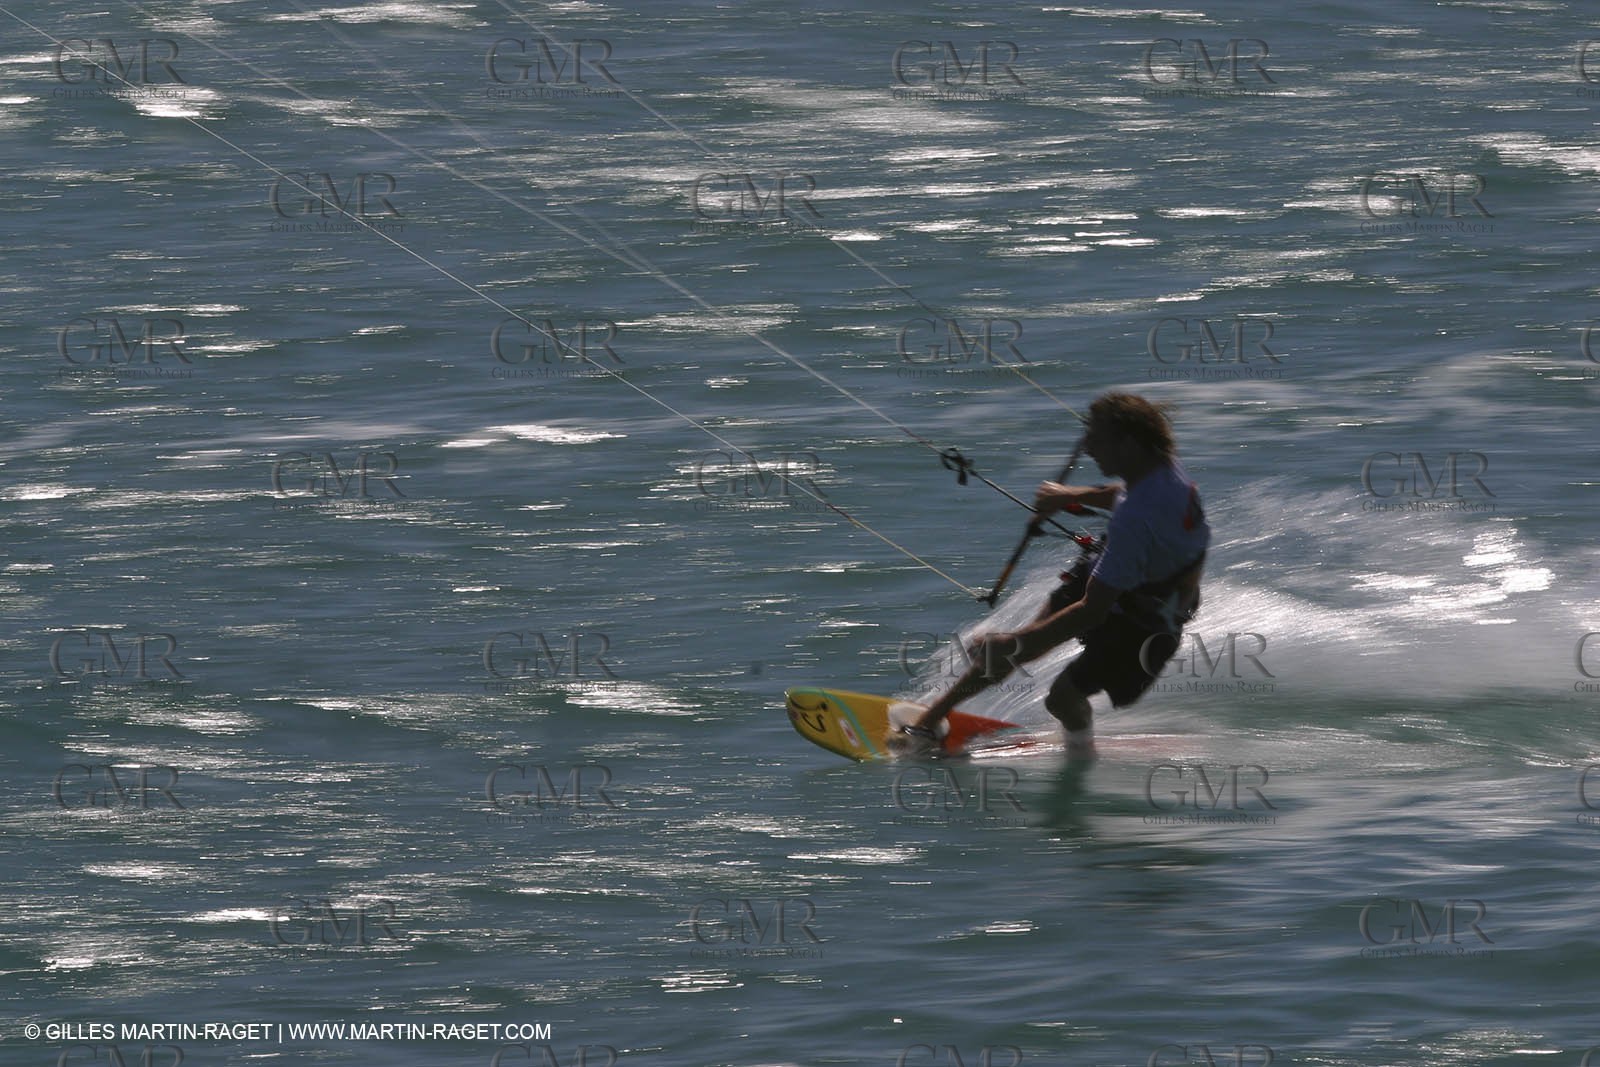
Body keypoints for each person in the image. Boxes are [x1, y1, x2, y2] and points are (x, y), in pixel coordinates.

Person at [889, 392, 1209, 759]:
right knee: (1011, 650)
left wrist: (1013, 642)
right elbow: (1123, 494)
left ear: (1129, 443)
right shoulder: (1161, 469)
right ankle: (929, 721)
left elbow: (1092, 611)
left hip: (1146, 624)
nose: (1087, 447)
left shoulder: (1137, 519)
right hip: (1131, 581)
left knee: (1061, 698)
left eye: (1096, 438)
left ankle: (1080, 758)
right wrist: (1067, 495)